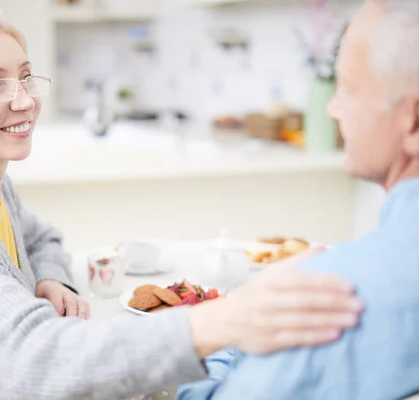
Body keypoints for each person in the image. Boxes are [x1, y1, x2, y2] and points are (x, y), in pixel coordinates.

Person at [0, 3, 363, 399]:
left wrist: (50, 277)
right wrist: (227, 321)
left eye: (26, 75)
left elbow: (39, 235)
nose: (24, 99)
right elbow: (39, 365)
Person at [177, 0, 419, 399]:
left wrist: (231, 327)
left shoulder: (328, 297)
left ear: (413, 119)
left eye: (348, 88)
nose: (332, 108)